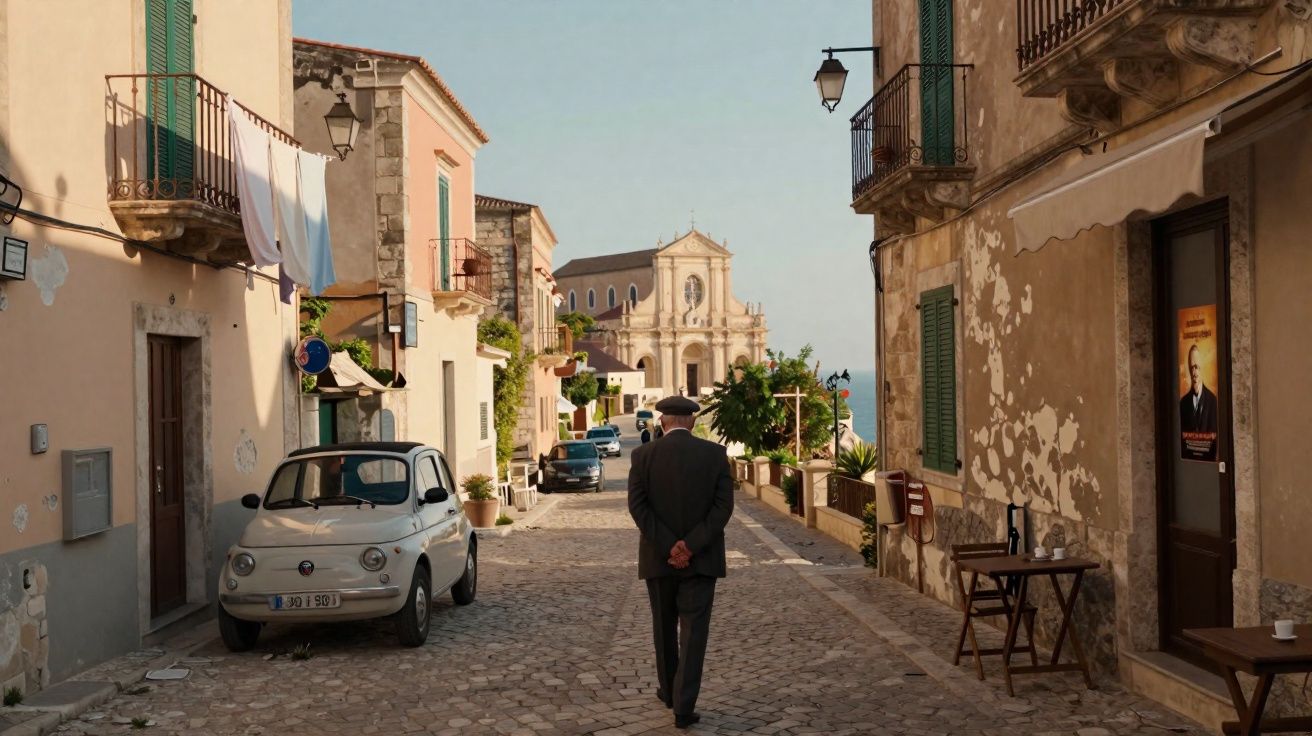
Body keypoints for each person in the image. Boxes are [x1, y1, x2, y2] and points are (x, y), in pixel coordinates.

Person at [627, 395, 733, 729]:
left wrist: (670, 545)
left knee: (663, 628)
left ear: (662, 422)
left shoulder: (642, 455)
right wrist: (691, 545)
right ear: (691, 422)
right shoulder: (715, 455)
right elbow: (722, 509)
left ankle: (669, 692)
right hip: (702, 561)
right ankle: (683, 706)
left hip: (658, 560)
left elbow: (638, 507)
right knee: (693, 633)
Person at [1179, 344, 1219, 433]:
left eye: (1196, 367)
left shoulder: (1212, 400)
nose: (1194, 372)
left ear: (1202, 366)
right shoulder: (1183, 403)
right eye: (1191, 367)